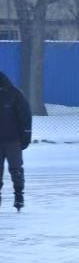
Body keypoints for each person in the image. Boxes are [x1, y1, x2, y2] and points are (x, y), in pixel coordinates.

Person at [0, 72, 31, 211]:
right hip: (11, 141)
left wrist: (25, 137)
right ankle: (16, 195)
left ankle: (19, 195)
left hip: (13, 140)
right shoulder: (15, 93)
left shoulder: (14, 95)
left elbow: (25, 116)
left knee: (16, 168)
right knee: (15, 168)